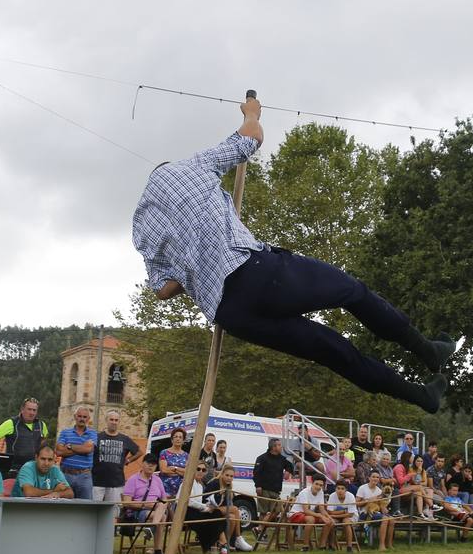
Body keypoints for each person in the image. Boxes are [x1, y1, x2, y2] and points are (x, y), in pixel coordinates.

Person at [132, 97, 454, 411]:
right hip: (255, 274)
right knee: (353, 292)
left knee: (330, 350)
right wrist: (251, 113)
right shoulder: (188, 168)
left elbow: (164, 289)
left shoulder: (142, 225)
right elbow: (251, 138)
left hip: (232, 314)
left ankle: (422, 397)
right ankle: (428, 351)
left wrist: (192, 263)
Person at [122, 456, 170, 554]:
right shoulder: (133, 479)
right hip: (138, 511)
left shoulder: (157, 480)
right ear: (143, 463)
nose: (151, 465)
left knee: (162, 506)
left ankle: (152, 528)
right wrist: (145, 505)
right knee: (163, 517)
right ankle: (157, 551)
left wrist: (158, 505)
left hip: (156, 510)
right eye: (148, 463)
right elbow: (126, 503)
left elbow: (164, 499)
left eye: (153, 464)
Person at [0, 397, 48, 477]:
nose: (32, 413)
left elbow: (44, 444)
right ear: (22, 409)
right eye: (29, 409)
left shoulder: (42, 425)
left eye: (34, 410)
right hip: (13, 470)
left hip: (33, 470)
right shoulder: (11, 423)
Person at [201, 462, 252, 551]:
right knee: (235, 509)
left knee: (232, 517)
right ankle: (238, 538)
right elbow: (205, 500)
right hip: (209, 509)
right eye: (227, 475)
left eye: (231, 476)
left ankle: (226, 544)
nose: (229, 478)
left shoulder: (228, 486)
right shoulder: (215, 483)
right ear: (222, 474)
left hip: (220, 510)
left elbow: (228, 504)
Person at [93, 409, 139, 504]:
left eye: (116, 420)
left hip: (116, 483)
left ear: (119, 422)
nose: (114, 422)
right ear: (106, 420)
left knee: (113, 512)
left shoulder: (124, 439)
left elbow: (139, 452)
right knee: (92, 510)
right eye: (111, 419)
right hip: (96, 482)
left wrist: (129, 460)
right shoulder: (97, 437)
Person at [187, 464, 231, 554]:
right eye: (198, 469)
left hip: (197, 511)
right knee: (216, 515)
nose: (200, 471)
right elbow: (189, 502)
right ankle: (222, 544)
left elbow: (199, 502)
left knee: (217, 513)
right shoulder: (188, 483)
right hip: (187, 513)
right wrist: (205, 507)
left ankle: (217, 545)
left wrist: (208, 507)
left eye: (203, 470)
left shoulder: (200, 485)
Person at [56, 406, 97, 500]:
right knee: (63, 505)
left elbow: (88, 449)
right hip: (66, 475)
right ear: (75, 417)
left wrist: (70, 446)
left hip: (84, 476)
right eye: (79, 416)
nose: (82, 419)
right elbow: (58, 451)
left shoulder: (92, 433)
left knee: (85, 507)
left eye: (84, 417)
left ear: (88, 419)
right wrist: (82, 447)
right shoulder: (65, 432)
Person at [252, 438, 288, 542]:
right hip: (263, 489)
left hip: (276, 490)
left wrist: (289, 471)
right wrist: (257, 485)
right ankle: (262, 534)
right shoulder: (262, 458)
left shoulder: (282, 459)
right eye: (279, 445)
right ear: (274, 447)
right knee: (263, 512)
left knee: (277, 511)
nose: (281, 447)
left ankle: (259, 529)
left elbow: (290, 466)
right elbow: (256, 473)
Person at [289, 476, 334, 551]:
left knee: (329, 522)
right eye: (316, 484)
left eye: (321, 485)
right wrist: (320, 515)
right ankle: (305, 546)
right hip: (296, 513)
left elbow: (322, 509)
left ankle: (322, 545)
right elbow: (306, 510)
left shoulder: (321, 492)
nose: (318, 487)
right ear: (312, 483)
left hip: (308, 514)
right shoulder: (304, 492)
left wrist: (329, 517)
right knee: (311, 519)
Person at [356, 473, 394, 550]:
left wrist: (383, 508)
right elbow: (356, 503)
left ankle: (389, 544)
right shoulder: (362, 488)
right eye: (373, 477)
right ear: (369, 478)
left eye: (377, 477)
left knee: (392, 520)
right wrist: (369, 500)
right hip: (364, 512)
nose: (375, 478)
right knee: (385, 519)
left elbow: (381, 505)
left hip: (377, 512)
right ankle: (381, 545)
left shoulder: (379, 490)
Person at [326, 482, 359, 551]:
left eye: (342, 489)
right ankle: (331, 545)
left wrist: (334, 514)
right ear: (335, 489)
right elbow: (329, 512)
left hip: (351, 516)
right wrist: (343, 511)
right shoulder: (332, 496)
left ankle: (349, 547)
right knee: (331, 522)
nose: (340, 490)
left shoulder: (351, 496)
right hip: (336, 516)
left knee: (346, 522)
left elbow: (350, 514)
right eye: (338, 488)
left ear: (346, 490)